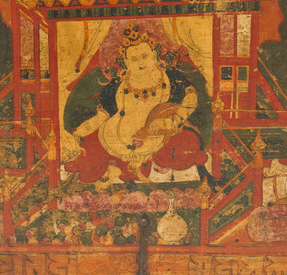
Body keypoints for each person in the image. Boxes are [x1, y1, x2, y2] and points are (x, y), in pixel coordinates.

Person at [64, 22, 207, 183]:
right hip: (118, 141)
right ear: (126, 62)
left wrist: (175, 118)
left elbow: (190, 97)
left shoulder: (170, 77)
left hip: (160, 137)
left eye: (144, 56)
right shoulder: (118, 84)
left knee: (187, 143)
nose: (140, 62)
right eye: (134, 59)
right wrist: (77, 134)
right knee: (90, 151)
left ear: (154, 55)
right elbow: (100, 117)